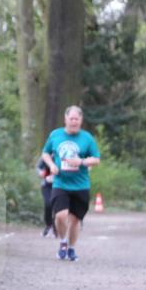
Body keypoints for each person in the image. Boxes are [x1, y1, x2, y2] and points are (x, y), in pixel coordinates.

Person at [41, 106, 100, 261]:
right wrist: (52, 165)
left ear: (80, 121)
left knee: (74, 221)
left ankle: (72, 249)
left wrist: (81, 161)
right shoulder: (55, 135)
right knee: (60, 216)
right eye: (71, 118)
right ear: (65, 119)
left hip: (81, 185)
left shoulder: (87, 138)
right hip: (60, 183)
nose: (74, 121)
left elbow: (96, 159)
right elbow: (45, 153)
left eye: (77, 119)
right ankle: (63, 242)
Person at [36, 157, 54, 236]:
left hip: (59, 185)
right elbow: (38, 168)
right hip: (46, 185)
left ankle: (56, 227)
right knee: (48, 204)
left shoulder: (62, 155)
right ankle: (49, 225)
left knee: (58, 206)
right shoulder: (45, 157)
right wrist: (41, 173)